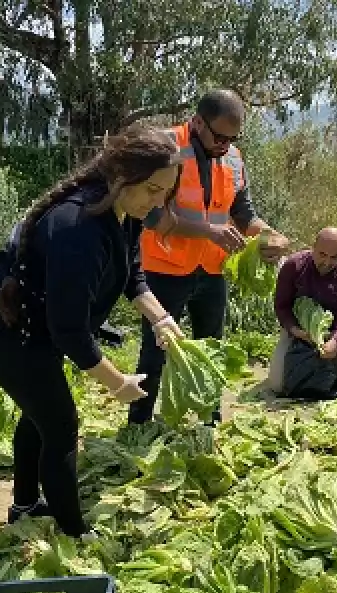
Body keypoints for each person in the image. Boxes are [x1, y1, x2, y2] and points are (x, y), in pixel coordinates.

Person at [0, 124, 184, 538]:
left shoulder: (125, 211)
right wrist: (116, 382)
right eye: (153, 190)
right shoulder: (78, 227)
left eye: (166, 192)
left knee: (40, 415)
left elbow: (131, 274)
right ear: (122, 176)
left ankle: (26, 506)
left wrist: (160, 316)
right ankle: (73, 532)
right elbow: (69, 331)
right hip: (5, 327)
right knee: (61, 425)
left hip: (39, 323)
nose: (159, 203)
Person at [128, 89, 288, 425]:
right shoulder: (165, 147)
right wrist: (207, 232)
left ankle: (209, 420)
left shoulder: (233, 158)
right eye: (219, 136)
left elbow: (244, 214)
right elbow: (150, 217)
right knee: (155, 352)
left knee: (211, 348)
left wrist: (270, 235)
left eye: (233, 138)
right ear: (198, 121)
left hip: (211, 270)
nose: (225, 145)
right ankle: (138, 424)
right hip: (165, 269)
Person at [267, 227, 337, 394]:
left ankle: (332, 368)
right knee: (278, 386)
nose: (327, 262)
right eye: (322, 254)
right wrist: (295, 330)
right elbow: (282, 305)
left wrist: (336, 340)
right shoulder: (293, 265)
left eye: (334, 257)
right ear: (313, 247)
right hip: (298, 332)